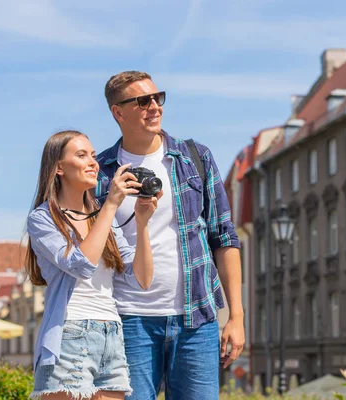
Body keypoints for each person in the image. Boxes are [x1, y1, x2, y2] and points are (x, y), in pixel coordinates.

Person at [95, 71, 245, 399]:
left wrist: (236, 316)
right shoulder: (100, 171)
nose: (154, 106)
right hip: (128, 321)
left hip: (196, 320)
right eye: (142, 101)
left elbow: (225, 237)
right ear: (118, 112)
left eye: (157, 98)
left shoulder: (195, 158)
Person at [25, 130, 159, 400]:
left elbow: (142, 279)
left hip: (111, 332)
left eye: (94, 156)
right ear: (59, 167)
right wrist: (110, 204)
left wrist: (142, 223)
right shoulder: (43, 219)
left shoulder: (101, 218)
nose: (93, 163)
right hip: (69, 333)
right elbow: (80, 265)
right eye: (82, 155)